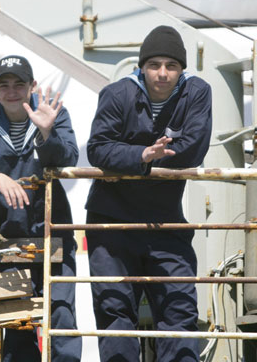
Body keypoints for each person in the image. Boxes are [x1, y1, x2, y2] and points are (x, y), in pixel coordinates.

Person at [85, 25, 212, 361]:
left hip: (164, 221)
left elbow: (193, 151)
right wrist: (142, 157)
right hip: (111, 222)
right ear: (142, 66)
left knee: (180, 307)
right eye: (154, 64)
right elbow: (97, 150)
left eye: (171, 66)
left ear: (182, 69)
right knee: (115, 311)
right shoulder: (118, 93)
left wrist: (125, 166)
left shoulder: (196, 93)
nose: (162, 73)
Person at [0, 55, 81, 361]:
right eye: (4, 85)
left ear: (32, 86)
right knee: (17, 320)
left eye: (19, 84)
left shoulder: (52, 112)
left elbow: (68, 158)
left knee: (62, 316)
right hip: (8, 239)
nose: (11, 91)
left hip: (54, 234)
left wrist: (47, 132)